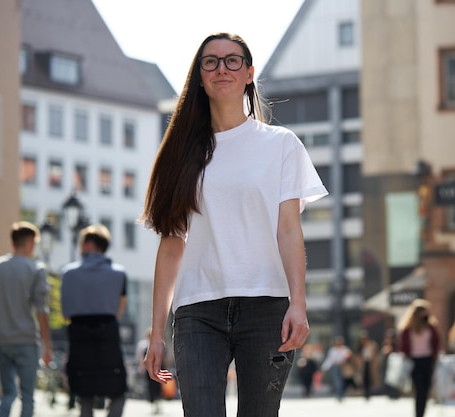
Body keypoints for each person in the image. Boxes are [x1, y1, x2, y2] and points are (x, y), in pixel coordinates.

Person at [139, 32, 328, 417]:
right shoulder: (180, 153)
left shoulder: (281, 145)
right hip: (197, 312)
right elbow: (172, 245)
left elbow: (289, 230)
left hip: (267, 308)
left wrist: (299, 303)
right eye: (210, 61)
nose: (221, 68)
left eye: (232, 60)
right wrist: (157, 333)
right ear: (200, 76)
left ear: (249, 73)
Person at [0, 221, 53, 417]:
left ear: (13, 243)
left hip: (1, 339)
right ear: (30, 242)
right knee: (27, 395)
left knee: (8, 392)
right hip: (27, 339)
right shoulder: (36, 269)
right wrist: (47, 345)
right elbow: (41, 310)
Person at [61, 225, 128, 417]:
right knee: (118, 390)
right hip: (107, 333)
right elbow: (119, 310)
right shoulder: (119, 273)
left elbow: (65, 313)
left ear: (89, 245)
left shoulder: (68, 273)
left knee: (84, 392)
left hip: (79, 333)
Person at [398, 298, 440, 417]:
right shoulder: (408, 328)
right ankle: (419, 414)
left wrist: (435, 356)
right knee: (419, 389)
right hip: (414, 361)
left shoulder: (430, 326)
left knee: (426, 389)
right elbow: (403, 345)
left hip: (427, 360)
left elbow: (436, 342)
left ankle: (422, 413)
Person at [135, 328, 162, 414]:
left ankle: (157, 403)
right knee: (150, 387)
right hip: (149, 369)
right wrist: (140, 369)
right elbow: (141, 359)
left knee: (158, 387)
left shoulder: (161, 344)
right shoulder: (143, 346)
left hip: (159, 369)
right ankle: (153, 403)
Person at [320, 337, 353, 401]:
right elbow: (330, 359)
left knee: (342, 381)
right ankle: (338, 395)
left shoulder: (345, 349)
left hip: (343, 367)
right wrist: (325, 367)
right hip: (335, 367)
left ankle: (342, 394)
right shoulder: (333, 350)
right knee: (337, 381)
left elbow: (348, 357)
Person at [354, 330, 379, 400]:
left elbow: (375, 354)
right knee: (364, 379)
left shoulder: (372, 345)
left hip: (370, 363)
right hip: (363, 364)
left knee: (370, 378)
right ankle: (366, 393)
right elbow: (357, 356)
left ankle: (370, 392)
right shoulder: (360, 346)